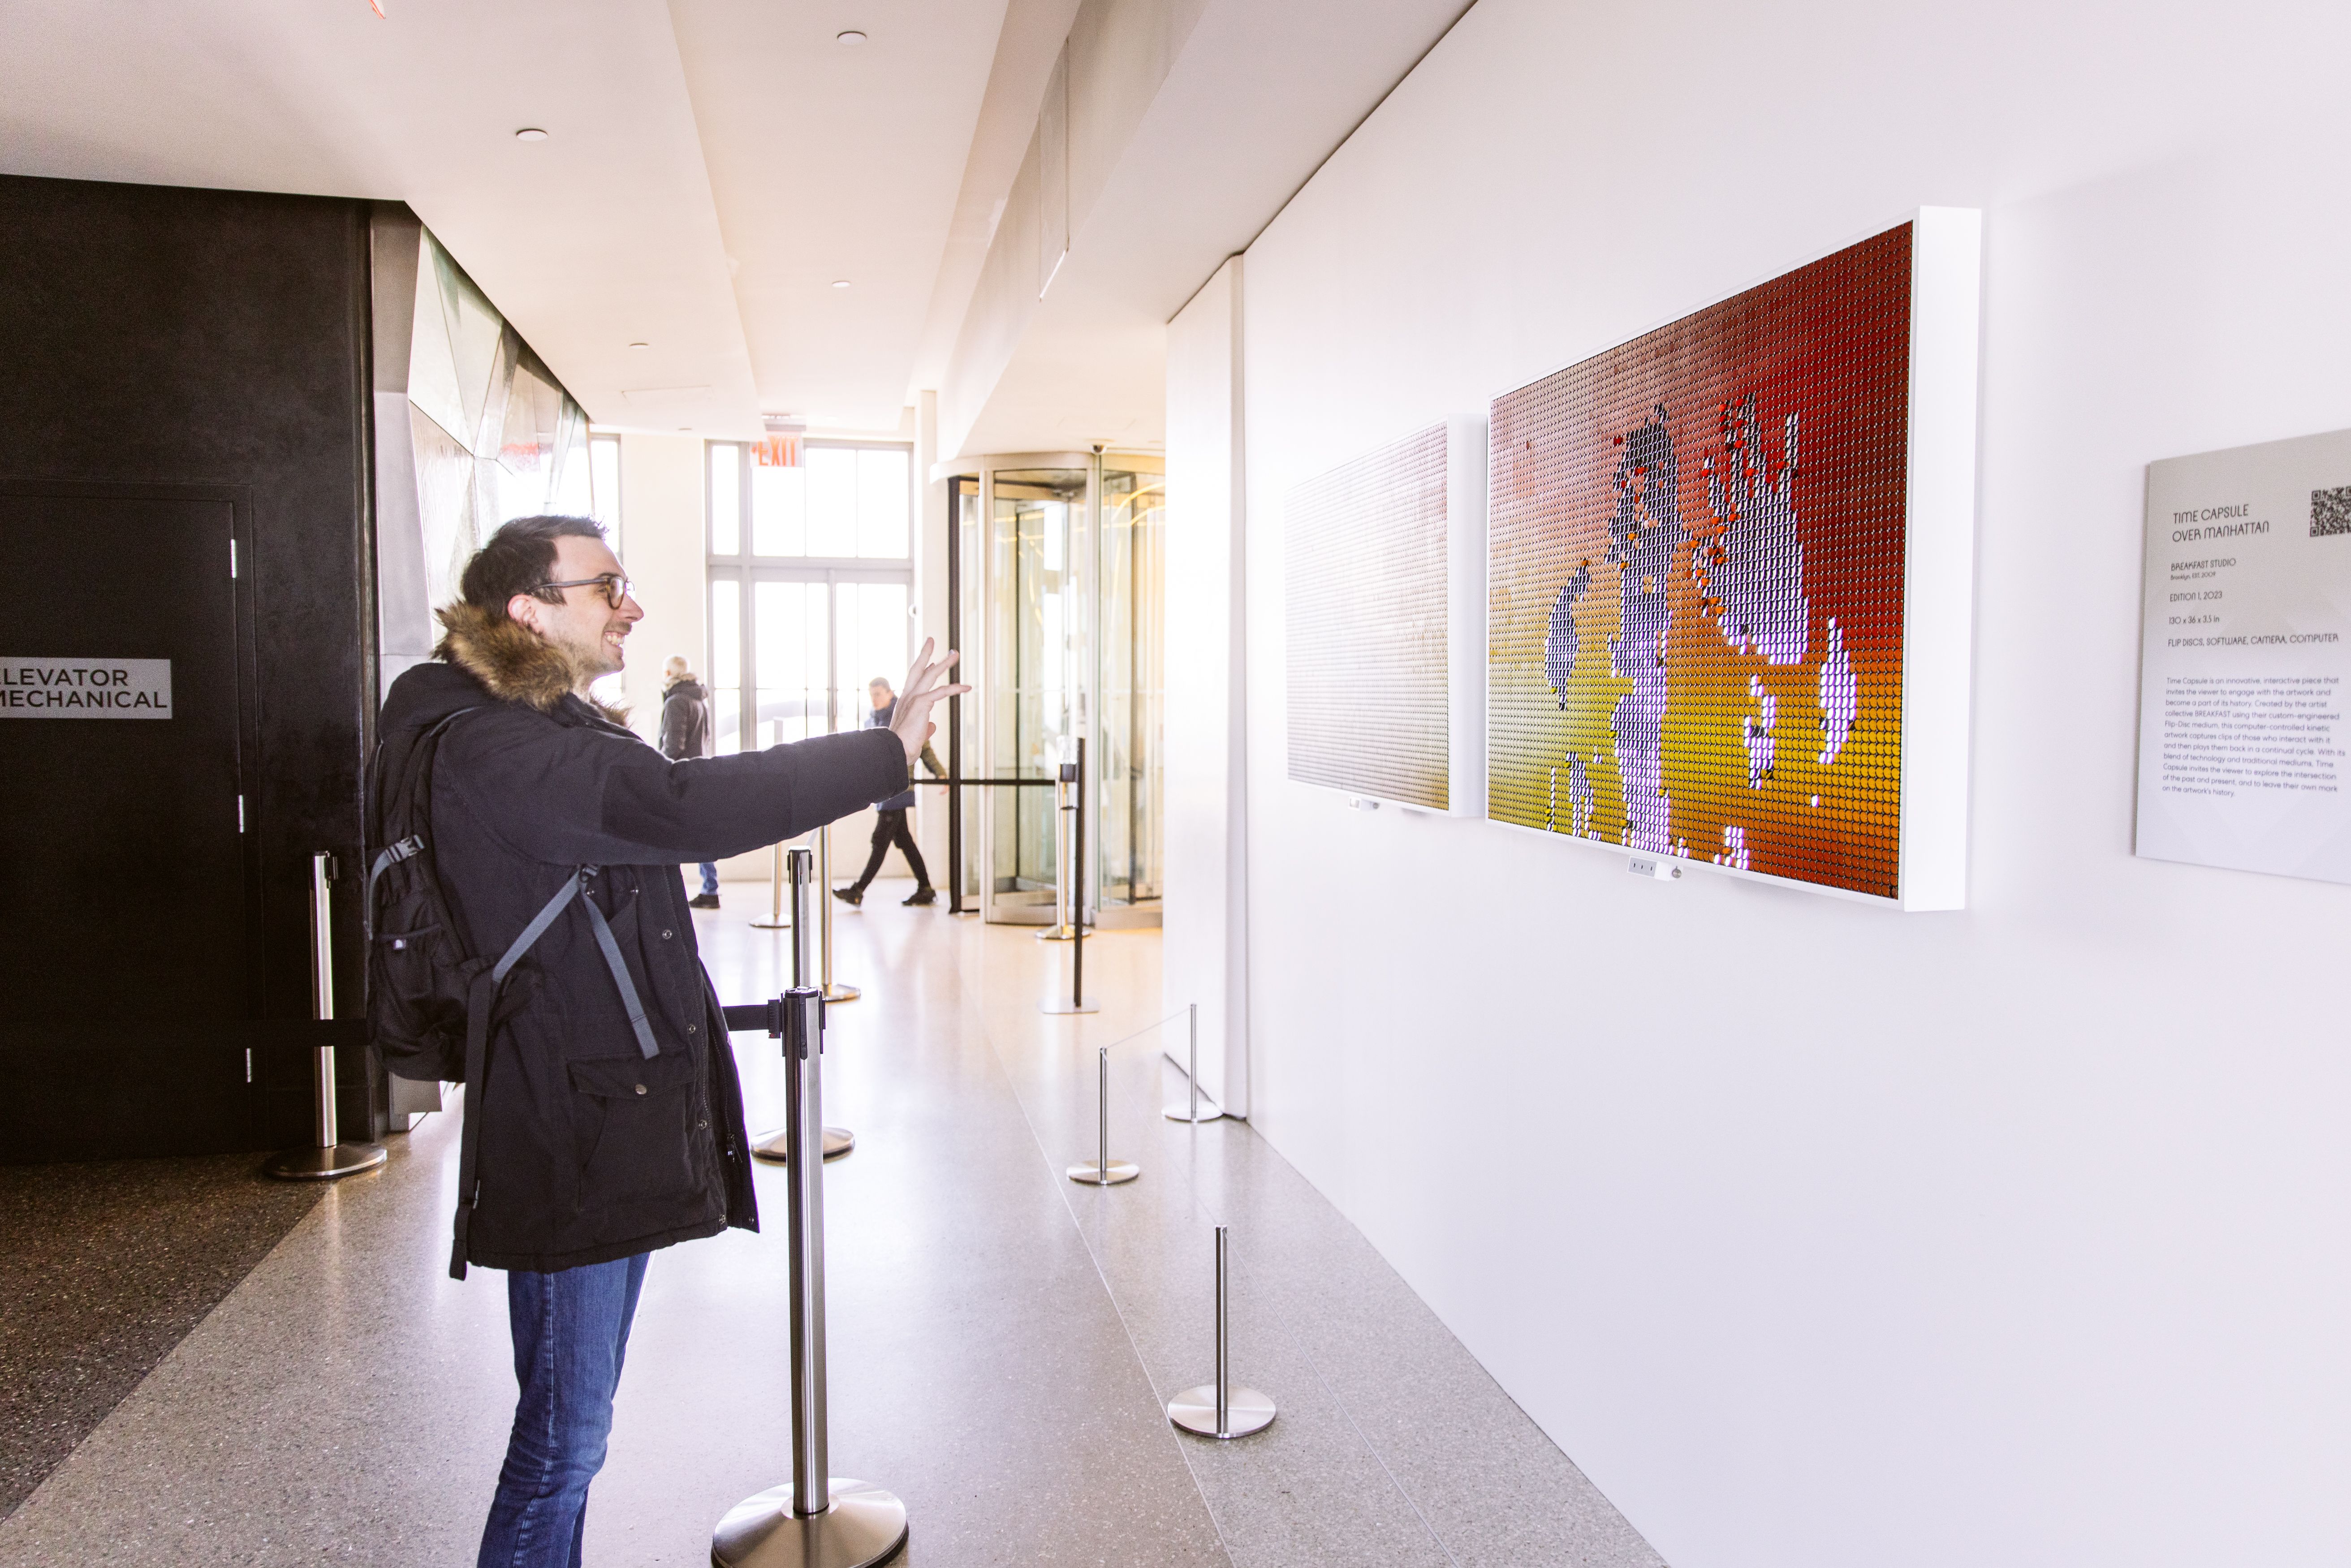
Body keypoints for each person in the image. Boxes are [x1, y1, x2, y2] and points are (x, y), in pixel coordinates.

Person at [371, 516, 960, 1568]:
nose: (629, 606)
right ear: (528, 609)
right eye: (606, 588)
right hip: (569, 1133)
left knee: (569, 1439)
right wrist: (882, 751)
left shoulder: (539, 726)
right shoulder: (496, 747)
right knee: (561, 1445)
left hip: (598, 1110)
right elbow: (680, 805)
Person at [833, 676, 936, 907]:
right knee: (904, 841)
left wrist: (940, 773)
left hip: (896, 789)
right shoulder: (873, 718)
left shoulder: (898, 717)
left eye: (879, 694)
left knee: (880, 841)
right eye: (872, 695)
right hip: (883, 790)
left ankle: (858, 890)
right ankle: (926, 888)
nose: (875, 699)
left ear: (890, 694)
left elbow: (925, 747)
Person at [658, 655, 720, 908]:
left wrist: (658, 768)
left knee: (668, 833)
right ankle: (710, 889)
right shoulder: (698, 701)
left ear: (669, 674)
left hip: (680, 778)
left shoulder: (676, 701)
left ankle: (669, 893)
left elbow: (674, 745)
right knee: (700, 834)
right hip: (699, 774)